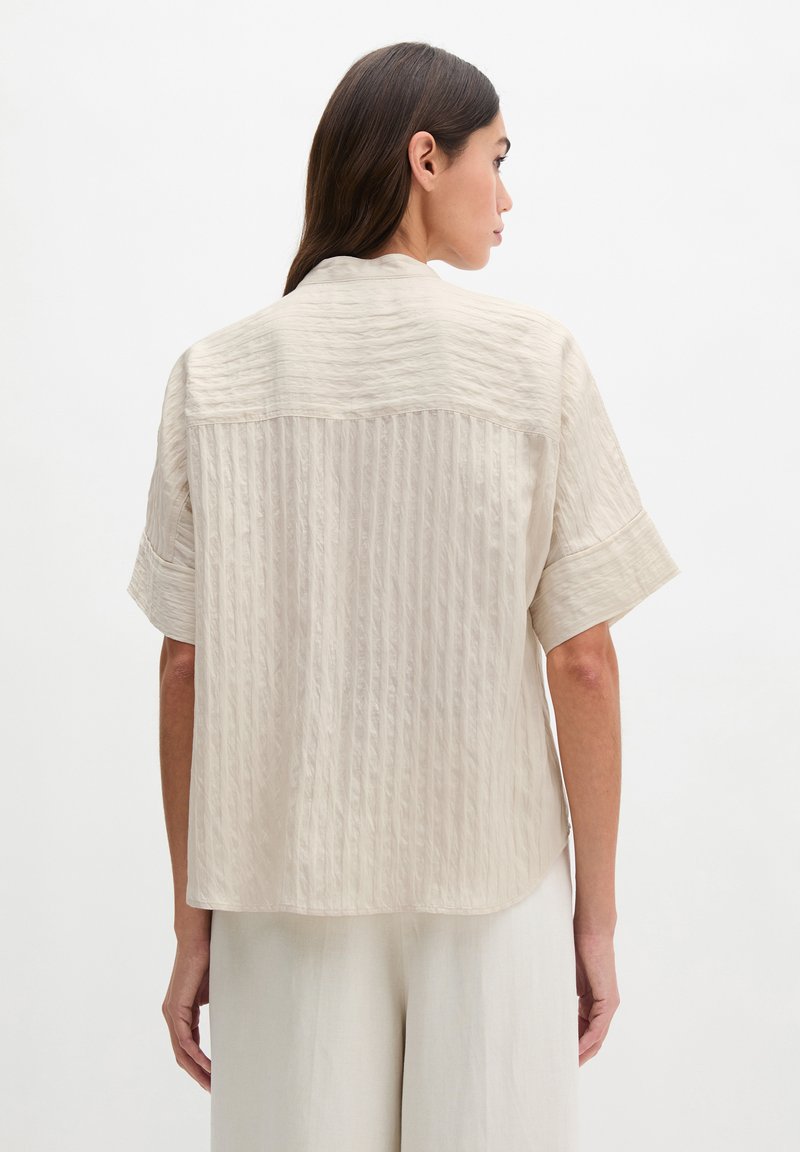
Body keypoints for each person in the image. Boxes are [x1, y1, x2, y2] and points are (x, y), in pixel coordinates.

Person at [126, 40, 680, 1152]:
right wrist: (595, 917)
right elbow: (582, 660)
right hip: (493, 878)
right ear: (426, 159)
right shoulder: (533, 360)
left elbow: (185, 665)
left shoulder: (216, 374)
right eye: (496, 158)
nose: (506, 195)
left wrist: (192, 928)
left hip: (280, 884)